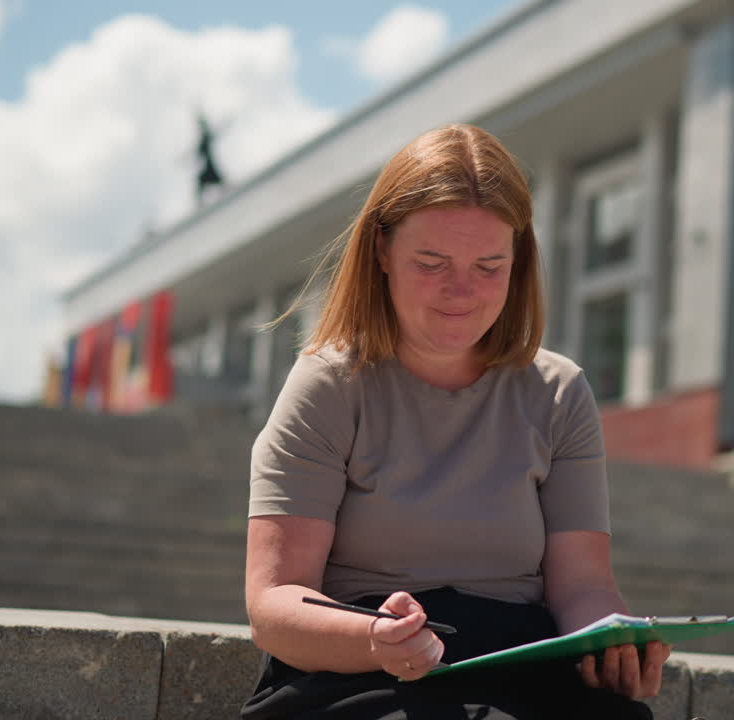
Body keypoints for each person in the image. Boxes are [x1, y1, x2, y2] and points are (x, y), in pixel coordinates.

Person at [242, 124, 671, 719]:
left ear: (519, 263)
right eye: (432, 262)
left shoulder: (560, 391)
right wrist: (375, 640)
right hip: (359, 674)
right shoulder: (329, 384)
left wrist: (614, 645)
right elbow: (274, 604)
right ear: (382, 252)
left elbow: (582, 586)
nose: (461, 291)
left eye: (489, 266)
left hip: (524, 672)